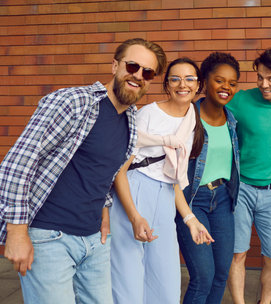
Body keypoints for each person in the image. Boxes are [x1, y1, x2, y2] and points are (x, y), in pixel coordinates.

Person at [0, 38, 167, 303]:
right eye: (132, 66)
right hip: (49, 237)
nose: (138, 76)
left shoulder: (131, 118)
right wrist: (17, 232)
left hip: (94, 241)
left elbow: (104, 172)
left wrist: (104, 214)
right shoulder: (74, 102)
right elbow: (18, 163)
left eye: (147, 72)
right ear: (115, 65)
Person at [110, 57, 214, 304]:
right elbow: (120, 171)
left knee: (165, 285)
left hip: (166, 197)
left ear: (198, 85)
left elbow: (173, 176)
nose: (183, 85)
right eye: (175, 79)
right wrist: (135, 216)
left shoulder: (192, 118)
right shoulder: (148, 114)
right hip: (134, 192)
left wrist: (191, 220)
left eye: (189, 79)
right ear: (167, 84)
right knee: (128, 283)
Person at [226, 48, 271, 304]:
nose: (264, 84)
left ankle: (264, 302)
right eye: (260, 77)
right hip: (240, 189)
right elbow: (210, 108)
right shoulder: (242, 100)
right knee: (237, 254)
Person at [175, 52, 240, 304]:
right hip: (193, 200)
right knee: (203, 276)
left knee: (221, 274)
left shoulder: (232, 120)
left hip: (223, 199)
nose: (226, 87)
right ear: (204, 81)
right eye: (220, 80)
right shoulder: (187, 116)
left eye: (232, 83)